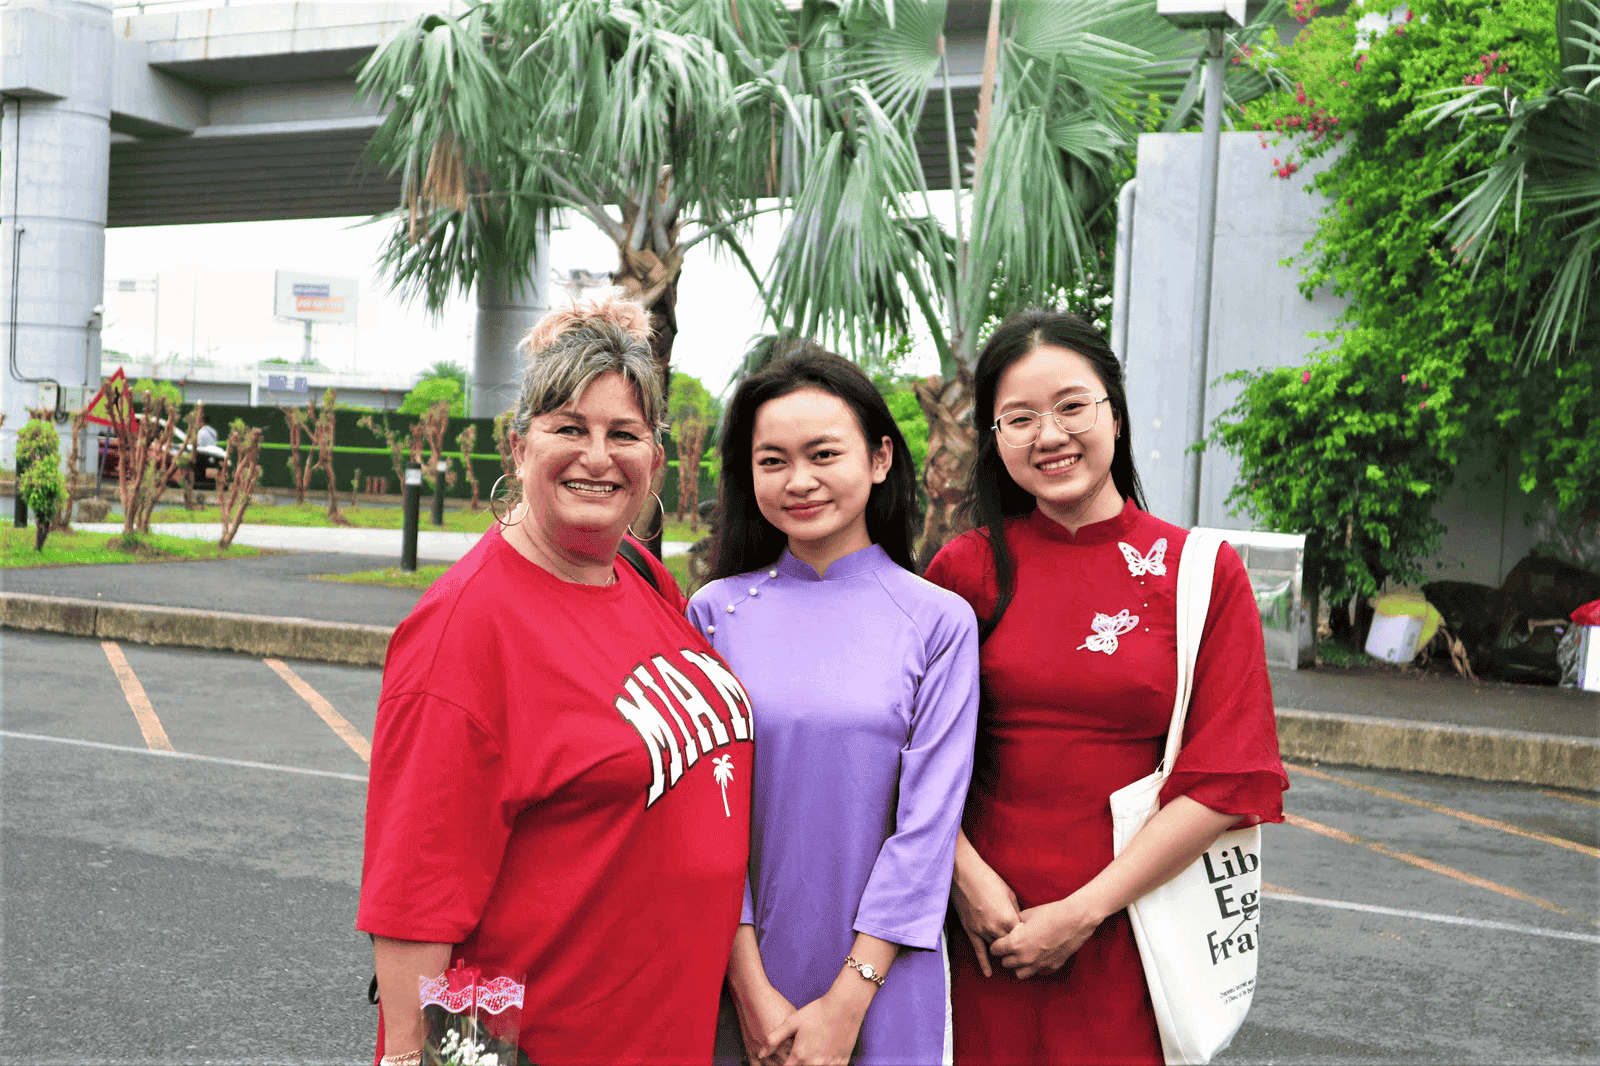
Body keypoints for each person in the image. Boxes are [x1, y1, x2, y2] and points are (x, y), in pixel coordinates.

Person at [357, 296, 754, 1066]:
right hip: (547, 1044)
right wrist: (417, 1060)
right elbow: (415, 897)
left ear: (656, 461)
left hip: (667, 1035)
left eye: (624, 434)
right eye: (569, 428)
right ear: (518, 447)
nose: (597, 457)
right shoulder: (466, 629)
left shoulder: (636, 572)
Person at [922, 310, 1288, 1065]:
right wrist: (963, 878)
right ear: (994, 440)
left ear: (1113, 412)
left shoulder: (1199, 573)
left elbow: (1226, 776)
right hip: (977, 936)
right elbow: (904, 751)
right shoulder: (964, 570)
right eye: (1018, 418)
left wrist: (1084, 913)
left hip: (1131, 937)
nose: (1048, 436)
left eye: (1070, 406)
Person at [688, 345, 980, 1066]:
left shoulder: (938, 622)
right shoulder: (712, 614)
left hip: (885, 980)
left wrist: (848, 1001)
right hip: (731, 978)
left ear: (880, 458)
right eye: (773, 460)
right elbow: (700, 822)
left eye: (823, 454)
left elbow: (926, 831)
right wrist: (750, 987)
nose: (800, 481)